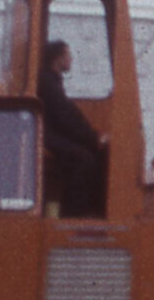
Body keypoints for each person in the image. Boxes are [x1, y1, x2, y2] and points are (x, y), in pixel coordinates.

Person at [36, 37, 105, 218]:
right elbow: (66, 117)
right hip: (47, 137)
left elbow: (69, 115)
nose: (71, 60)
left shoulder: (51, 80)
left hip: (49, 134)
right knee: (85, 159)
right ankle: (74, 214)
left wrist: (92, 136)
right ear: (58, 59)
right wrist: (93, 139)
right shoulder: (49, 83)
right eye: (69, 56)